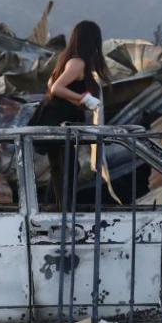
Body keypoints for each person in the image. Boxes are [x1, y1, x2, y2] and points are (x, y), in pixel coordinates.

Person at [35, 20, 110, 208]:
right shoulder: (77, 62)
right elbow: (57, 89)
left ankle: (54, 207)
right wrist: (83, 98)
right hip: (56, 120)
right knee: (65, 169)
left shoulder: (70, 60)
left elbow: (52, 86)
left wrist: (78, 101)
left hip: (60, 119)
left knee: (63, 168)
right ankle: (61, 213)